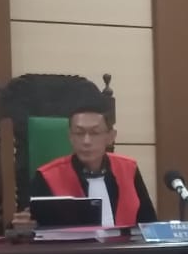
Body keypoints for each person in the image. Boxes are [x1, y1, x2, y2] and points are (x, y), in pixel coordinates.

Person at [24, 98, 157, 228]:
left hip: (125, 243)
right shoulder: (47, 176)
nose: (86, 141)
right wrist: (25, 226)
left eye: (95, 133)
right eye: (79, 133)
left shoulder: (129, 169)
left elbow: (149, 224)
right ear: (70, 136)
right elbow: (30, 226)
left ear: (111, 137)